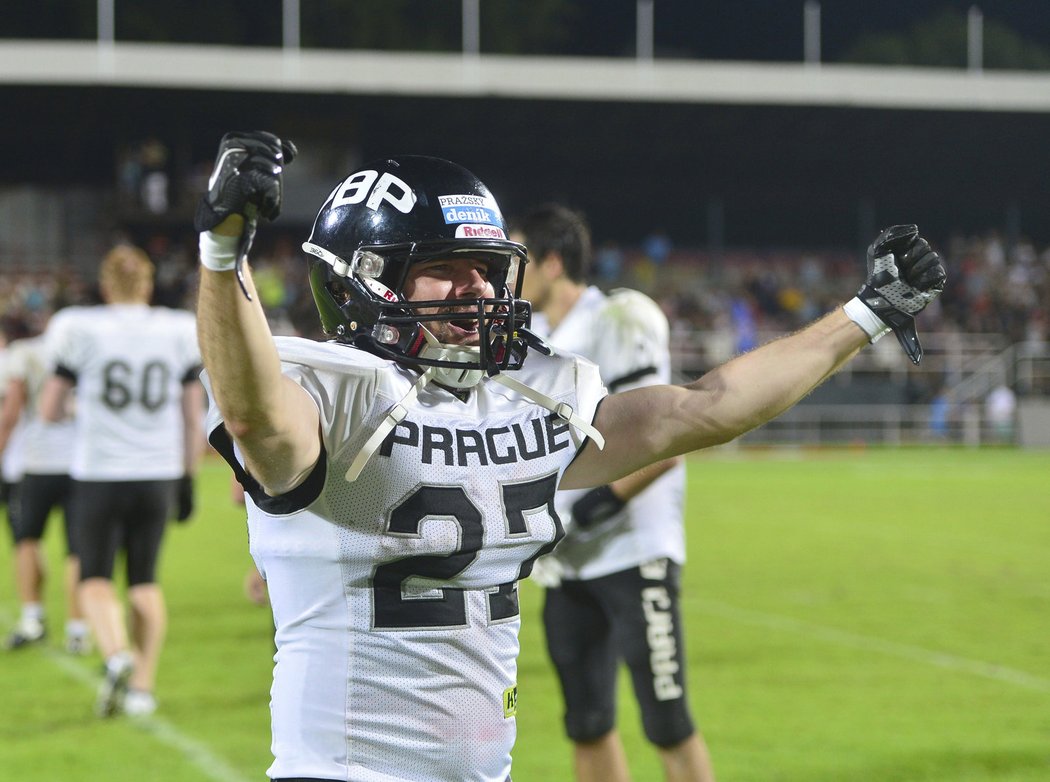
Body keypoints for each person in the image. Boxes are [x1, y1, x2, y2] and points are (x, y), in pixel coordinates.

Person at [193, 131, 945, 782]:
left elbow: (707, 406)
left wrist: (866, 313)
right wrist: (224, 250)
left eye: (485, 267)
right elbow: (253, 410)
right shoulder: (334, 397)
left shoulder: (527, 398)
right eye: (447, 267)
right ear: (366, 279)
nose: (478, 288)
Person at [510, 204, 713, 782]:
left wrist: (588, 512)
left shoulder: (619, 317)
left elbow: (663, 443)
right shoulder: (537, 338)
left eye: (520, 258)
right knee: (587, 722)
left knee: (667, 721)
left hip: (632, 551)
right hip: (568, 567)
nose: (509, 272)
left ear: (552, 262)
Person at [39, 244, 205, 718]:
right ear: (148, 284)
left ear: (106, 285)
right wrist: (188, 477)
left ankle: (115, 655)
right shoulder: (176, 330)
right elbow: (193, 417)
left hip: (100, 470)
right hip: (158, 471)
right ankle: (143, 689)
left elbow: (50, 409)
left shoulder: (80, 326)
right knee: (145, 582)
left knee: (94, 578)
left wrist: (77, 409)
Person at [0, 317, 88, 653]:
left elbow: (11, 412)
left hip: (36, 462)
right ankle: (78, 629)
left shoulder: (24, 353)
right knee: (76, 551)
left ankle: (32, 617)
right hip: (80, 465)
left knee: (26, 539)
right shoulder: (85, 351)